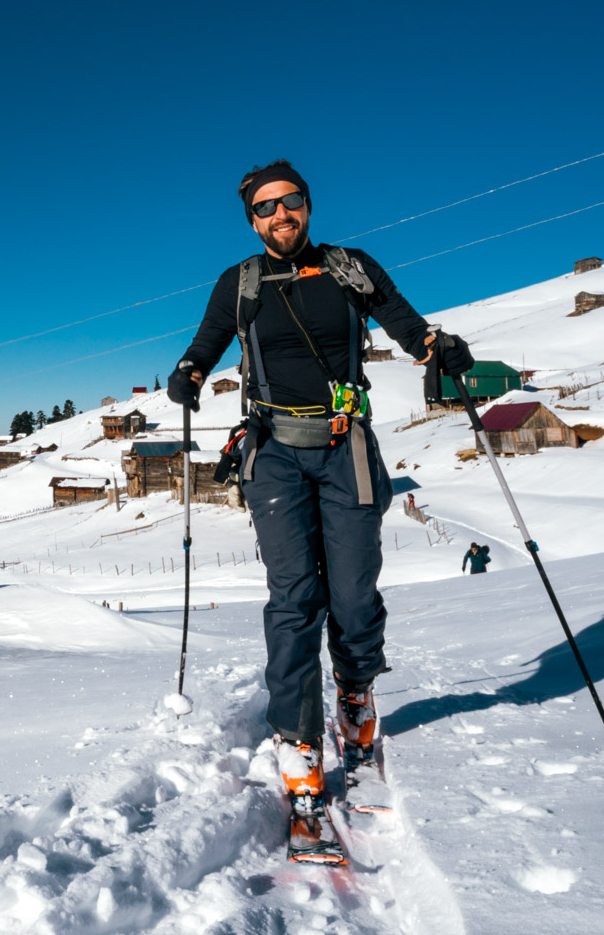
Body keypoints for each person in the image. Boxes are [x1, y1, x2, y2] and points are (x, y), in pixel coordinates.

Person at [165, 159, 472, 855]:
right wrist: (188, 374)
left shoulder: (350, 269)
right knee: (294, 597)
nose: (281, 215)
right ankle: (299, 744)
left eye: (291, 201)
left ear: (307, 204)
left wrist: (438, 348)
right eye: (266, 207)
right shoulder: (240, 283)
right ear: (252, 220)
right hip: (273, 450)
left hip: (346, 446)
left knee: (355, 592)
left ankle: (356, 700)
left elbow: (406, 325)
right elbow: (204, 346)